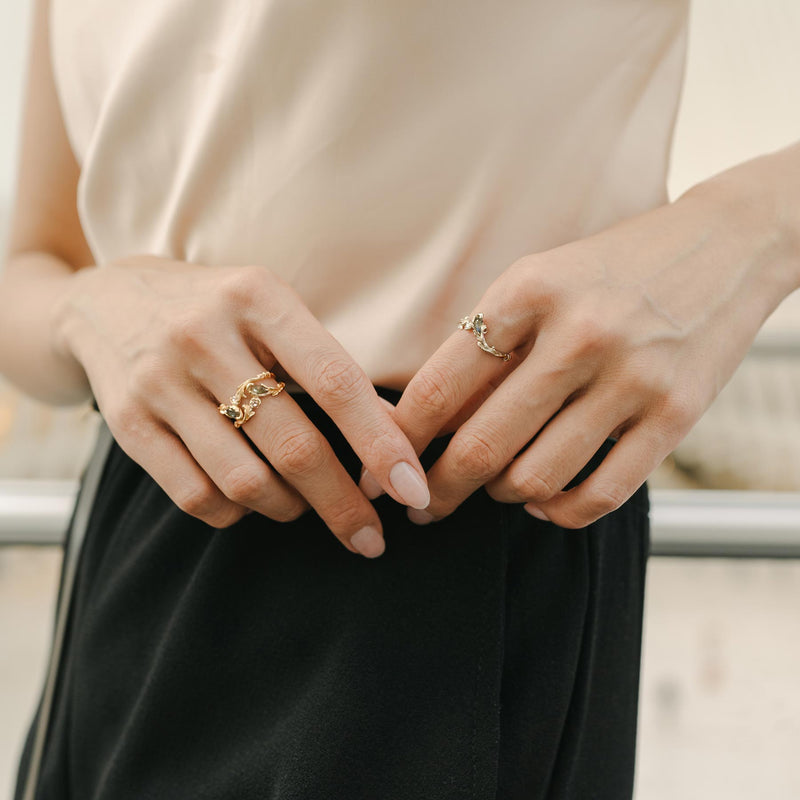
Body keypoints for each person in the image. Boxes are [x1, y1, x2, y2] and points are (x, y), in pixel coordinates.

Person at [3, 0, 798, 797]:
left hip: (461, 538)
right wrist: (88, 312)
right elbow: (33, 262)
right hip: (151, 522)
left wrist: (748, 230)